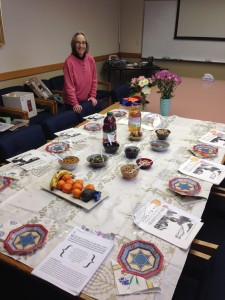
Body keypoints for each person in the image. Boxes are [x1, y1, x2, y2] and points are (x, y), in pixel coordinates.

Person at [63, 31, 102, 122]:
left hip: (87, 101)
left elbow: (94, 80)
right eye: (78, 42)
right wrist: (75, 103)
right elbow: (69, 87)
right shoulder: (69, 62)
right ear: (73, 45)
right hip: (73, 104)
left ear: (86, 45)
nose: (81, 46)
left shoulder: (90, 59)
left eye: (83, 43)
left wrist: (93, 96)